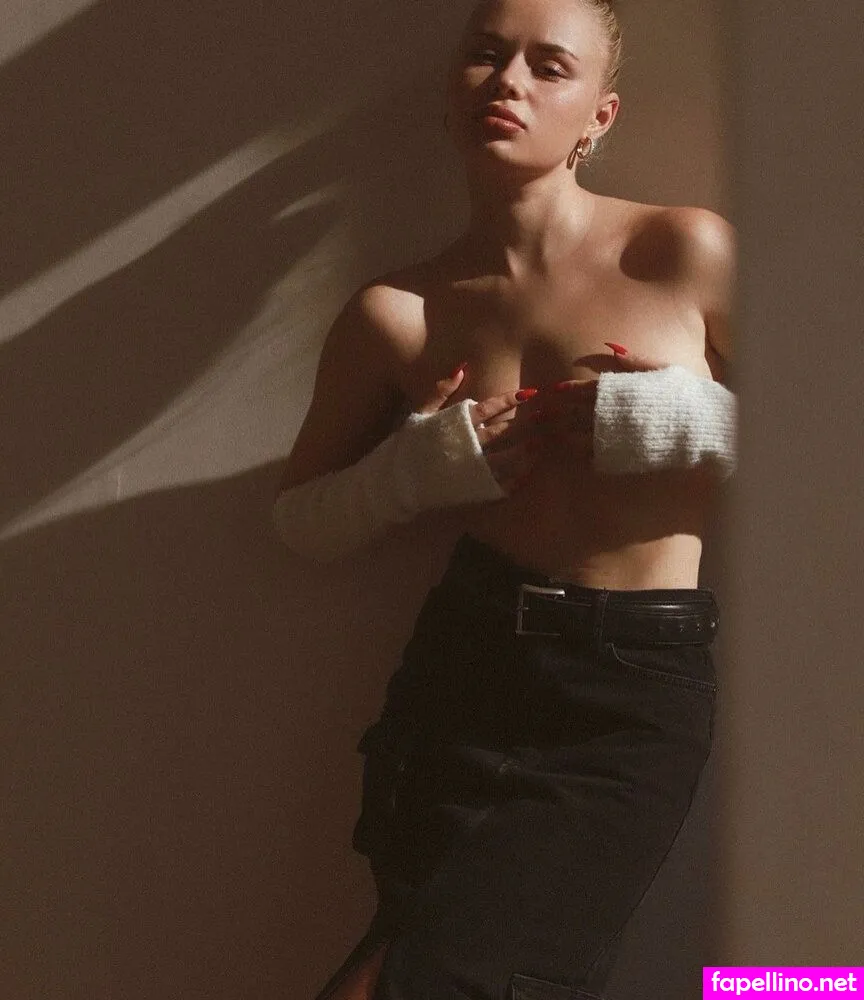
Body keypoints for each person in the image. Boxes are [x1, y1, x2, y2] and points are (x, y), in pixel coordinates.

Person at [273, 0, 735, 996]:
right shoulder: (397, 313)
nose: (509, 81)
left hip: (625, 694)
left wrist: (684, 422)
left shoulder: (683, 252)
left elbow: (834, 443)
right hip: (467, 666)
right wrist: (414, 472)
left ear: (600, 115)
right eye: (486, 55)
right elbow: (300, 519)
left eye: (548, 65)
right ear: (451, 89)